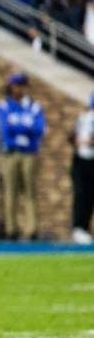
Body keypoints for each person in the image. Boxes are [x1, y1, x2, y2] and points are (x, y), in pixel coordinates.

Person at [0, 72, 45, 241]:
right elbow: (5, 131)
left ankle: (32, 229)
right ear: (11, 86)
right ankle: (11, 229)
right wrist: (24, 128)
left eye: (22, 85)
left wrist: (18, 127)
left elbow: (38, 129)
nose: (19, 88)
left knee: (30, 192)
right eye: (16, 85)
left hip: (29, 153)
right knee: (11, 192)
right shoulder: (4, 105)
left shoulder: (33, 106)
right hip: (10, 154)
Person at [70, 92, 94, 244]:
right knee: (82, 195)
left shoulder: (84, 118)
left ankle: (82, 228)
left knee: (87, 196)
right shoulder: (83, 118)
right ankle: (80, 228)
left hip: (88, 160)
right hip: (82, 161)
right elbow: (72, 137)